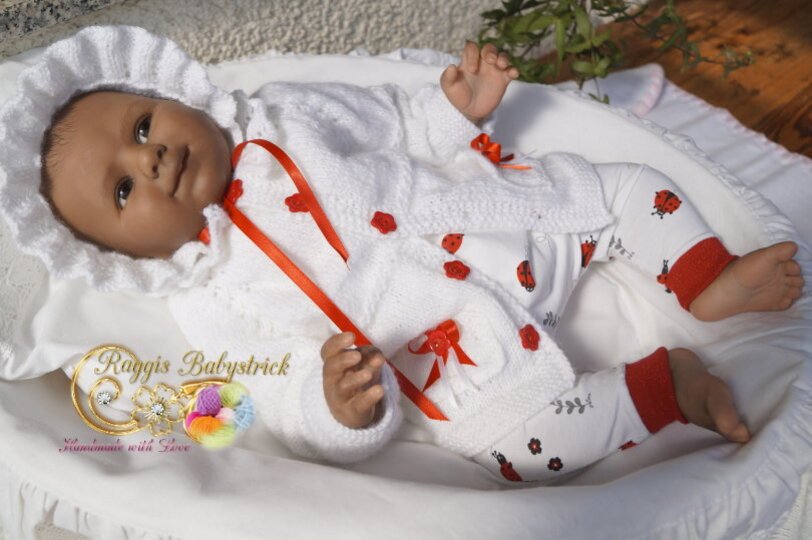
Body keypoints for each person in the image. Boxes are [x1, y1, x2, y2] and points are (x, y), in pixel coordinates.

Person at [0, 25, 803, 485]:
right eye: (122, 190)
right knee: (523, 449)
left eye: (142, 125)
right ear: (121, 255)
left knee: (622, 187)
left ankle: (705, 278)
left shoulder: (280, 116)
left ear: (170, 93)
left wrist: (455, 110)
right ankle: (664, 390)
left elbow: (391, 121)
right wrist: (334, 407)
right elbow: (274, 395)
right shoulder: (209, 298)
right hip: (452, 347)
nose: (148, 158)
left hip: (506, 223)